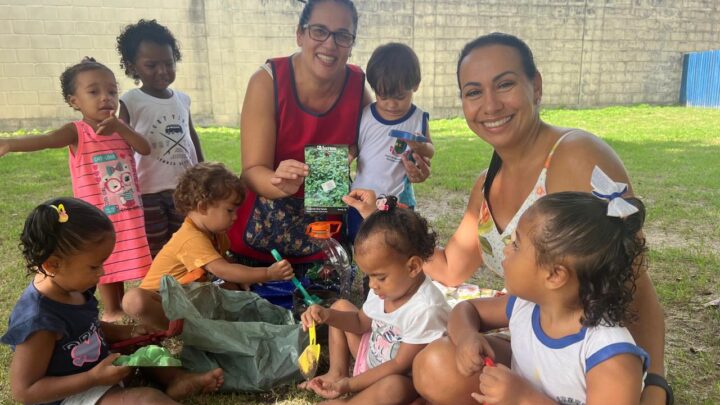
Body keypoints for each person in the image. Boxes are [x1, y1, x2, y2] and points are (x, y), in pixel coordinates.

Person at [412, 32, 669, 404]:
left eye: (505, 84)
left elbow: (634, 284)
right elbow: (452, 268)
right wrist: (390, 218)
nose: (490, 105)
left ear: (536, 86)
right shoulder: (486, 186)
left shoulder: (576, 157)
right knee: (436, 365)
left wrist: (656, 384)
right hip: (539, 349)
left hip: (597, 369)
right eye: (473, 92)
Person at [227, 0, 430, 275]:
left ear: (351, 43)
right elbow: (252, 171)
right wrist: (278, 184)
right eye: (319, 31)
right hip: (264, 241)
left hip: (327, 241)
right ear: (300, 33)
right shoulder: (268, 82)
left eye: (342, 35)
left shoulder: (357, 84)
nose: (330, 44)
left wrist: (414, 164)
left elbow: (381, 136)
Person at [414, 186, 651, 405]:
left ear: (555, 276)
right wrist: (467, 337)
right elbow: (468, 310)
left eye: (517, 245)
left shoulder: (610, 355)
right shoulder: (528, 307)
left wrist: (523, 398)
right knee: (435, 361)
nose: (506, 248)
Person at [1, 198, 224, 404]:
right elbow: (25, 390)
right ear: (53, 265)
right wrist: (92, 378)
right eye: (94, 266)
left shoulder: (73, 287)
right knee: (146, 400)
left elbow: (86, 328)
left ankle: (176, 379)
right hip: (71, 395)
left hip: (97, 370)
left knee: (144, 348)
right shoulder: (39, 320)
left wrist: (125, 333)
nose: (102, 272)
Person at [0, 58, 152, 322]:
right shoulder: (77, 132)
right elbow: (47, 140)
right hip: (96, 215)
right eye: (94, 92)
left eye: (112, 91)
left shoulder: (119, 128)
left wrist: (121, 128)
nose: (106, 98)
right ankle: (112, 309)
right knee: (103, 258)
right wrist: (11, 144)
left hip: (127, 209)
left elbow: (145, 148)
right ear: (74, 101)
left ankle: (136, 301)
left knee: (126, 254)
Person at [299, 195, 450, 405]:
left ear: (413, 267)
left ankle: (348, 401)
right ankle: (337, 373)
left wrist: (351, 386)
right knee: (340, 307)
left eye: (380, 277)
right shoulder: (386, 289)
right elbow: (360, 323)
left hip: (406, 382)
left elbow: (400, 364)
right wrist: (327, 315)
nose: (372, 284)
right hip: (370, 361)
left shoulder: (426, 309)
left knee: (394, 386)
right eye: (368, 276)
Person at [122, 162, 294, 331]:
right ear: (203, 207)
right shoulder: (191, 238)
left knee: (232, 289)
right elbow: (223, 269)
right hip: (159, 301)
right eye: (229, 210)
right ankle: (176, 329)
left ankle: (194, 325)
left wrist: (241, 279)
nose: (235, 217)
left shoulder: (216, 234)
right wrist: (268, 274)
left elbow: (225, 264)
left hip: (187, 297)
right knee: (135, 300)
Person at [117, 19, 204, 257]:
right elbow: (120, 139)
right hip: (147, 191)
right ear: (133, 67)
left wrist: (202, 169)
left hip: (182, 186)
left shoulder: (183, 99)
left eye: (168, 63)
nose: (162, 71)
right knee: (155, 246)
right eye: (151, 65)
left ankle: (181, 285)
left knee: (184, 240)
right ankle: (156, 288)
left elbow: (191, 135)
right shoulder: (130, 100)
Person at [348, 42, 435, 241]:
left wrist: (422, 147)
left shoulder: (418, 118)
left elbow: (430, 150)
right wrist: (349, 156)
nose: (391, 104)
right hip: (361, 197)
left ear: (416, 85)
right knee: (362, 243)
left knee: (396, 245)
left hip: (398, 201)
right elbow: (356, 144)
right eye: (383, 96)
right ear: (374, 89)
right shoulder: (365, 115)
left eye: (400, 97)